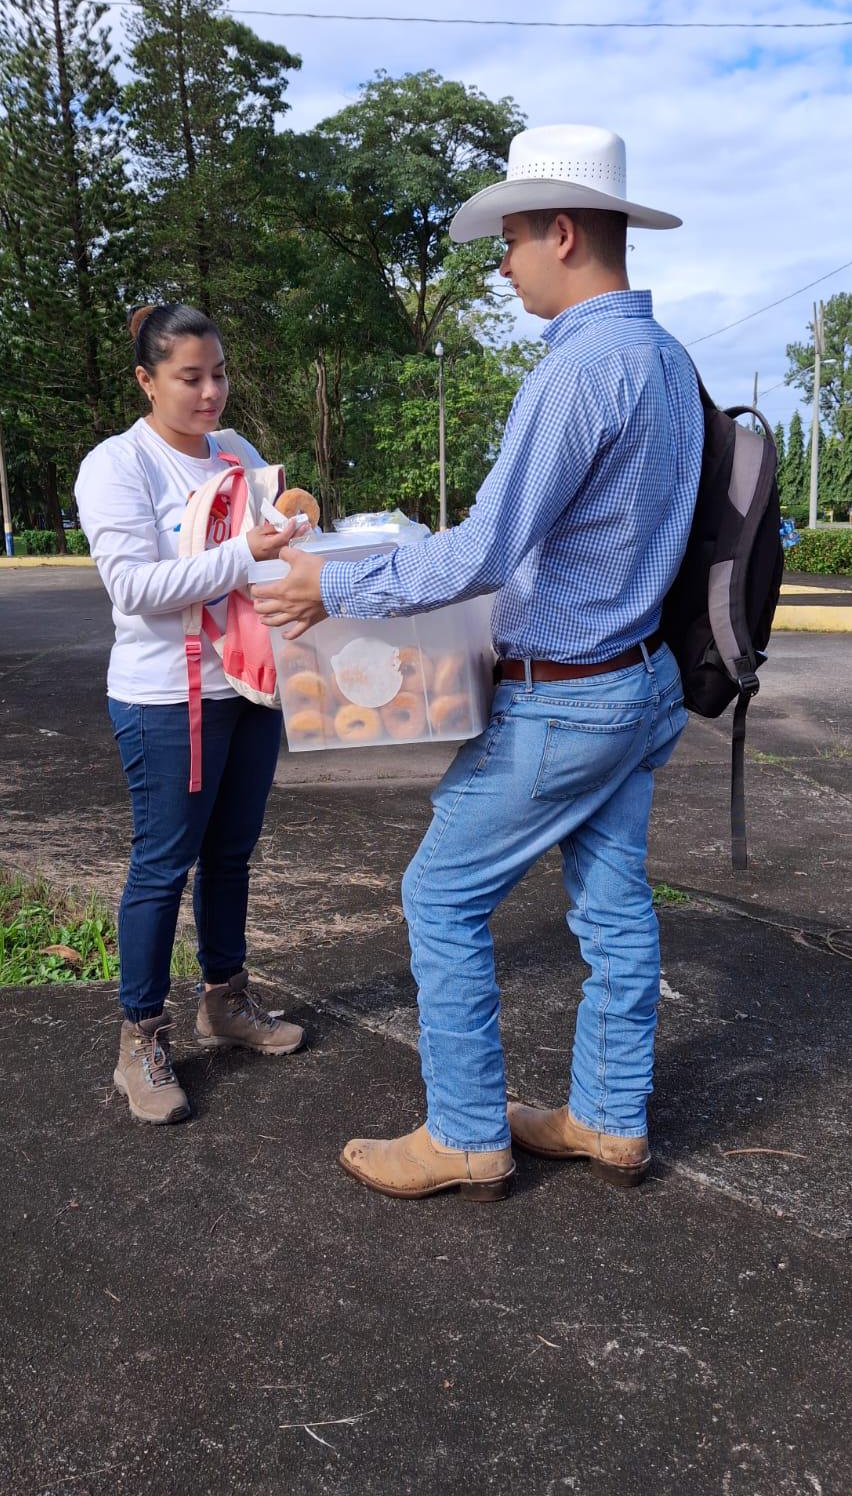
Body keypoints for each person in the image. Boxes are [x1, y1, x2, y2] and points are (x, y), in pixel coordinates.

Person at [253, 125, 704, 1200]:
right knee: (612, 905)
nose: (502, 266)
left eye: (509, 241)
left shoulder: (579, 370)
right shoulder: (669, 361)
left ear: (563, 233)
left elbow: (487, 552)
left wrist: (334, 588)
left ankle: (465, 1132)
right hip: (642, 682)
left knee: (440, 894)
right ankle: (609, 1116)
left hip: (568, 699)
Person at [76, 303, 305, 1126]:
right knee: (163, 864)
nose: (211, 392)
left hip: (247, 686)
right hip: (166, 699)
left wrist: (300, 525)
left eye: (219, 374)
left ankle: (225, 1001)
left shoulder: (236, 451)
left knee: (231, 854)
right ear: (147, 380)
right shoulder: (118, 465)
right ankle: (138, 1040)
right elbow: (134, 587)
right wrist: (246, 552)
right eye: (190, 378)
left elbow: (281, 533)